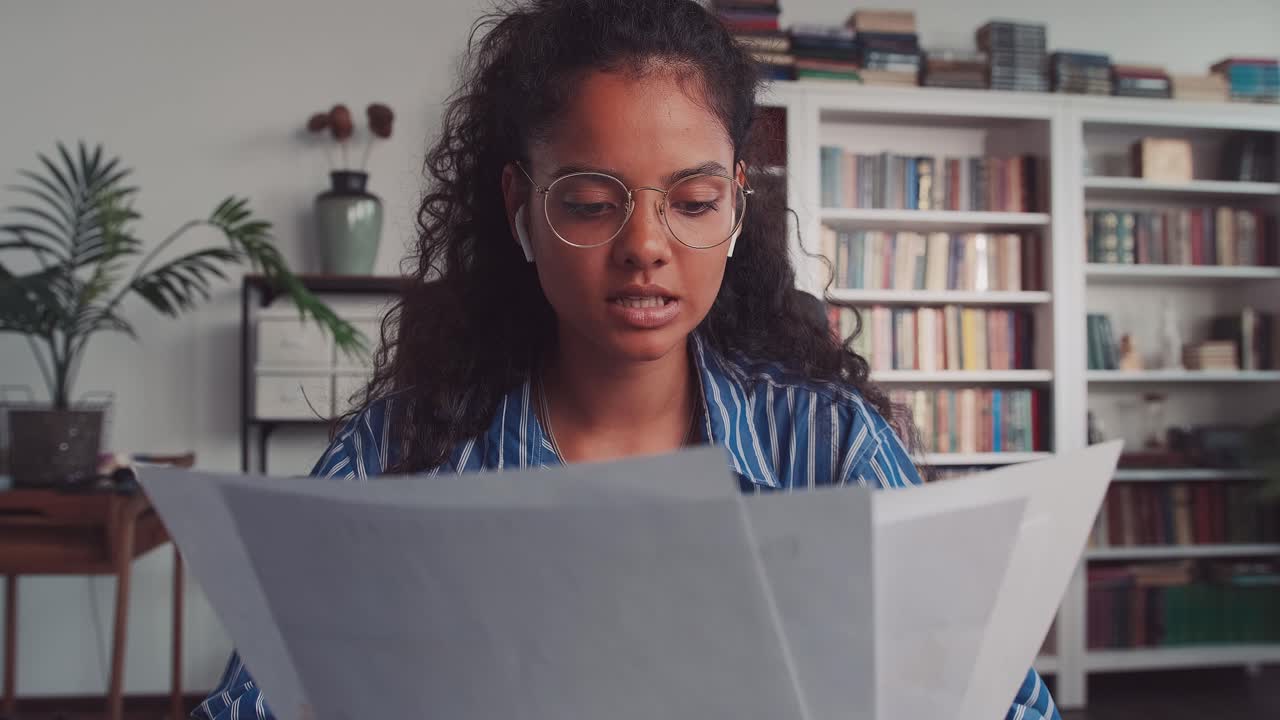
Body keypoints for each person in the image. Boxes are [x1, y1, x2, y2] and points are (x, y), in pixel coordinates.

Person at [196, 1, 1059, 718]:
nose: (645, 245)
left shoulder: (828, 449)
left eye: (691, 200)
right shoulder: (402, 456)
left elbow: (1002, 701)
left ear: (734, 206)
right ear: (521, 209)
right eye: (590, 201)